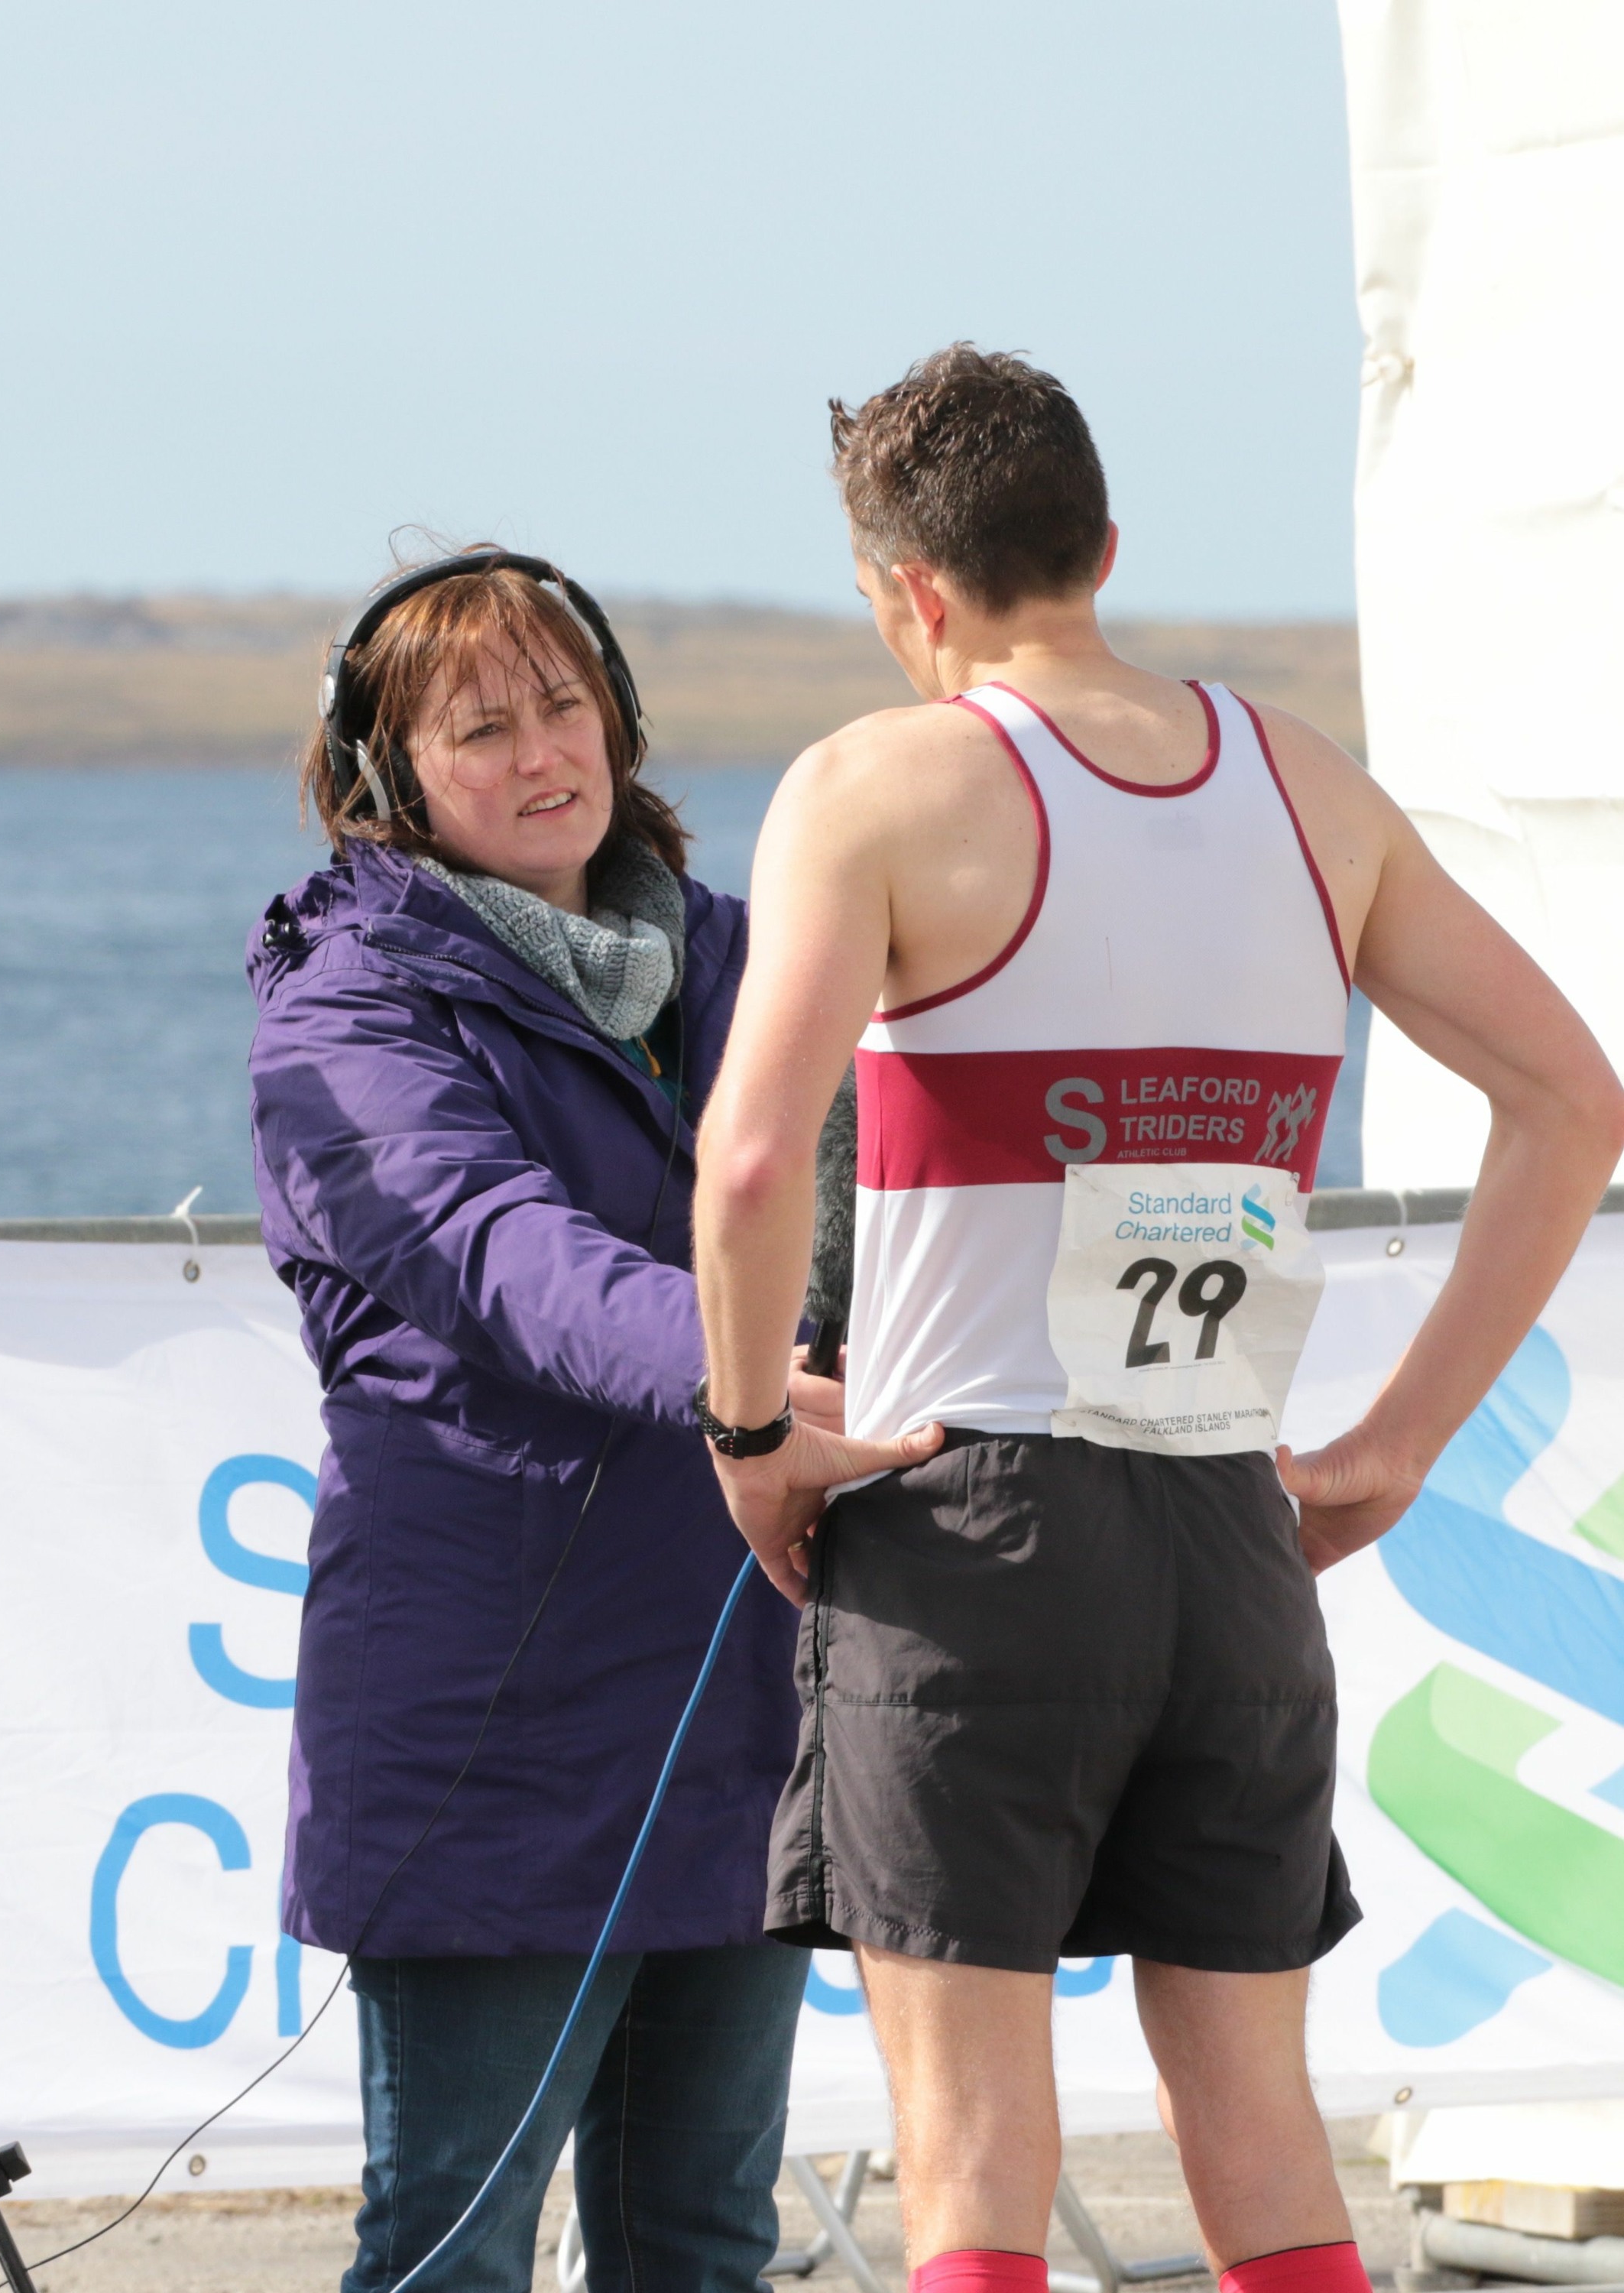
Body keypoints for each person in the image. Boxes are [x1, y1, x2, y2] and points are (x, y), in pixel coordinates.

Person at [689, 349, 1624, 2293]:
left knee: (971, 2163)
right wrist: (1399, 1445)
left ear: (910, 593)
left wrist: (753, 1435)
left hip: (966, 1524)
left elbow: (755, 1162)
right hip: (1227, 1526)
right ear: (1103, 547)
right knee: (1265, 2144)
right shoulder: (1310, 788)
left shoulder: (877, 782)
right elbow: (1573, 1103)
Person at [246, 549, 917, 2293]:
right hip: (490, 1729)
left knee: (701, 2241)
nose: (543, 753)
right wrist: (744, 1378)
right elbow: (495, 1246)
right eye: (481, 729)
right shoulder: (345, 1007)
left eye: (564, 705)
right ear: (389, 777)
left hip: (742, 1707)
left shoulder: (750, 957)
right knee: (453, 2252)